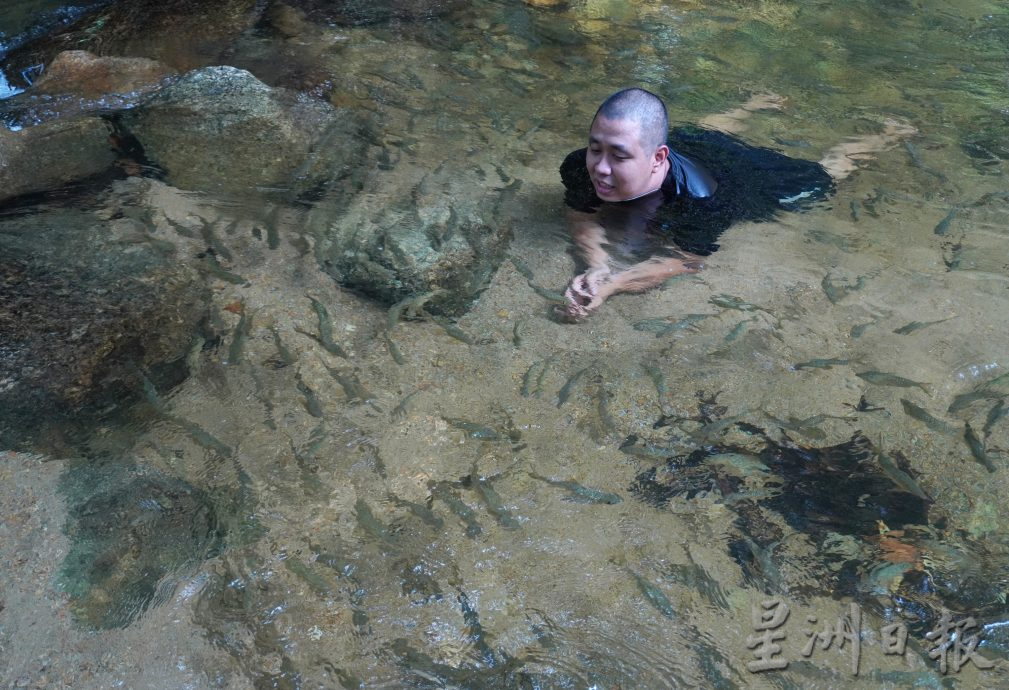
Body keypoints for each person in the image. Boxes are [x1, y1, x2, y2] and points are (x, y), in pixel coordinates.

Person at [557, 87, 914, 320]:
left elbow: (686, 261)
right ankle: (757, 101)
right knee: (696, 135)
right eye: (595, 147)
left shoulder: (700, 200)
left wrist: (616, 283)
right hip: (689, 150)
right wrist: (598, 264)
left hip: (742, 180)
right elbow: (580, 212)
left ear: (656, 157)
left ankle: (889, 134)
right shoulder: (581, 164)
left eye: (618, 156)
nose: (600, 167)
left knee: (820, 179)